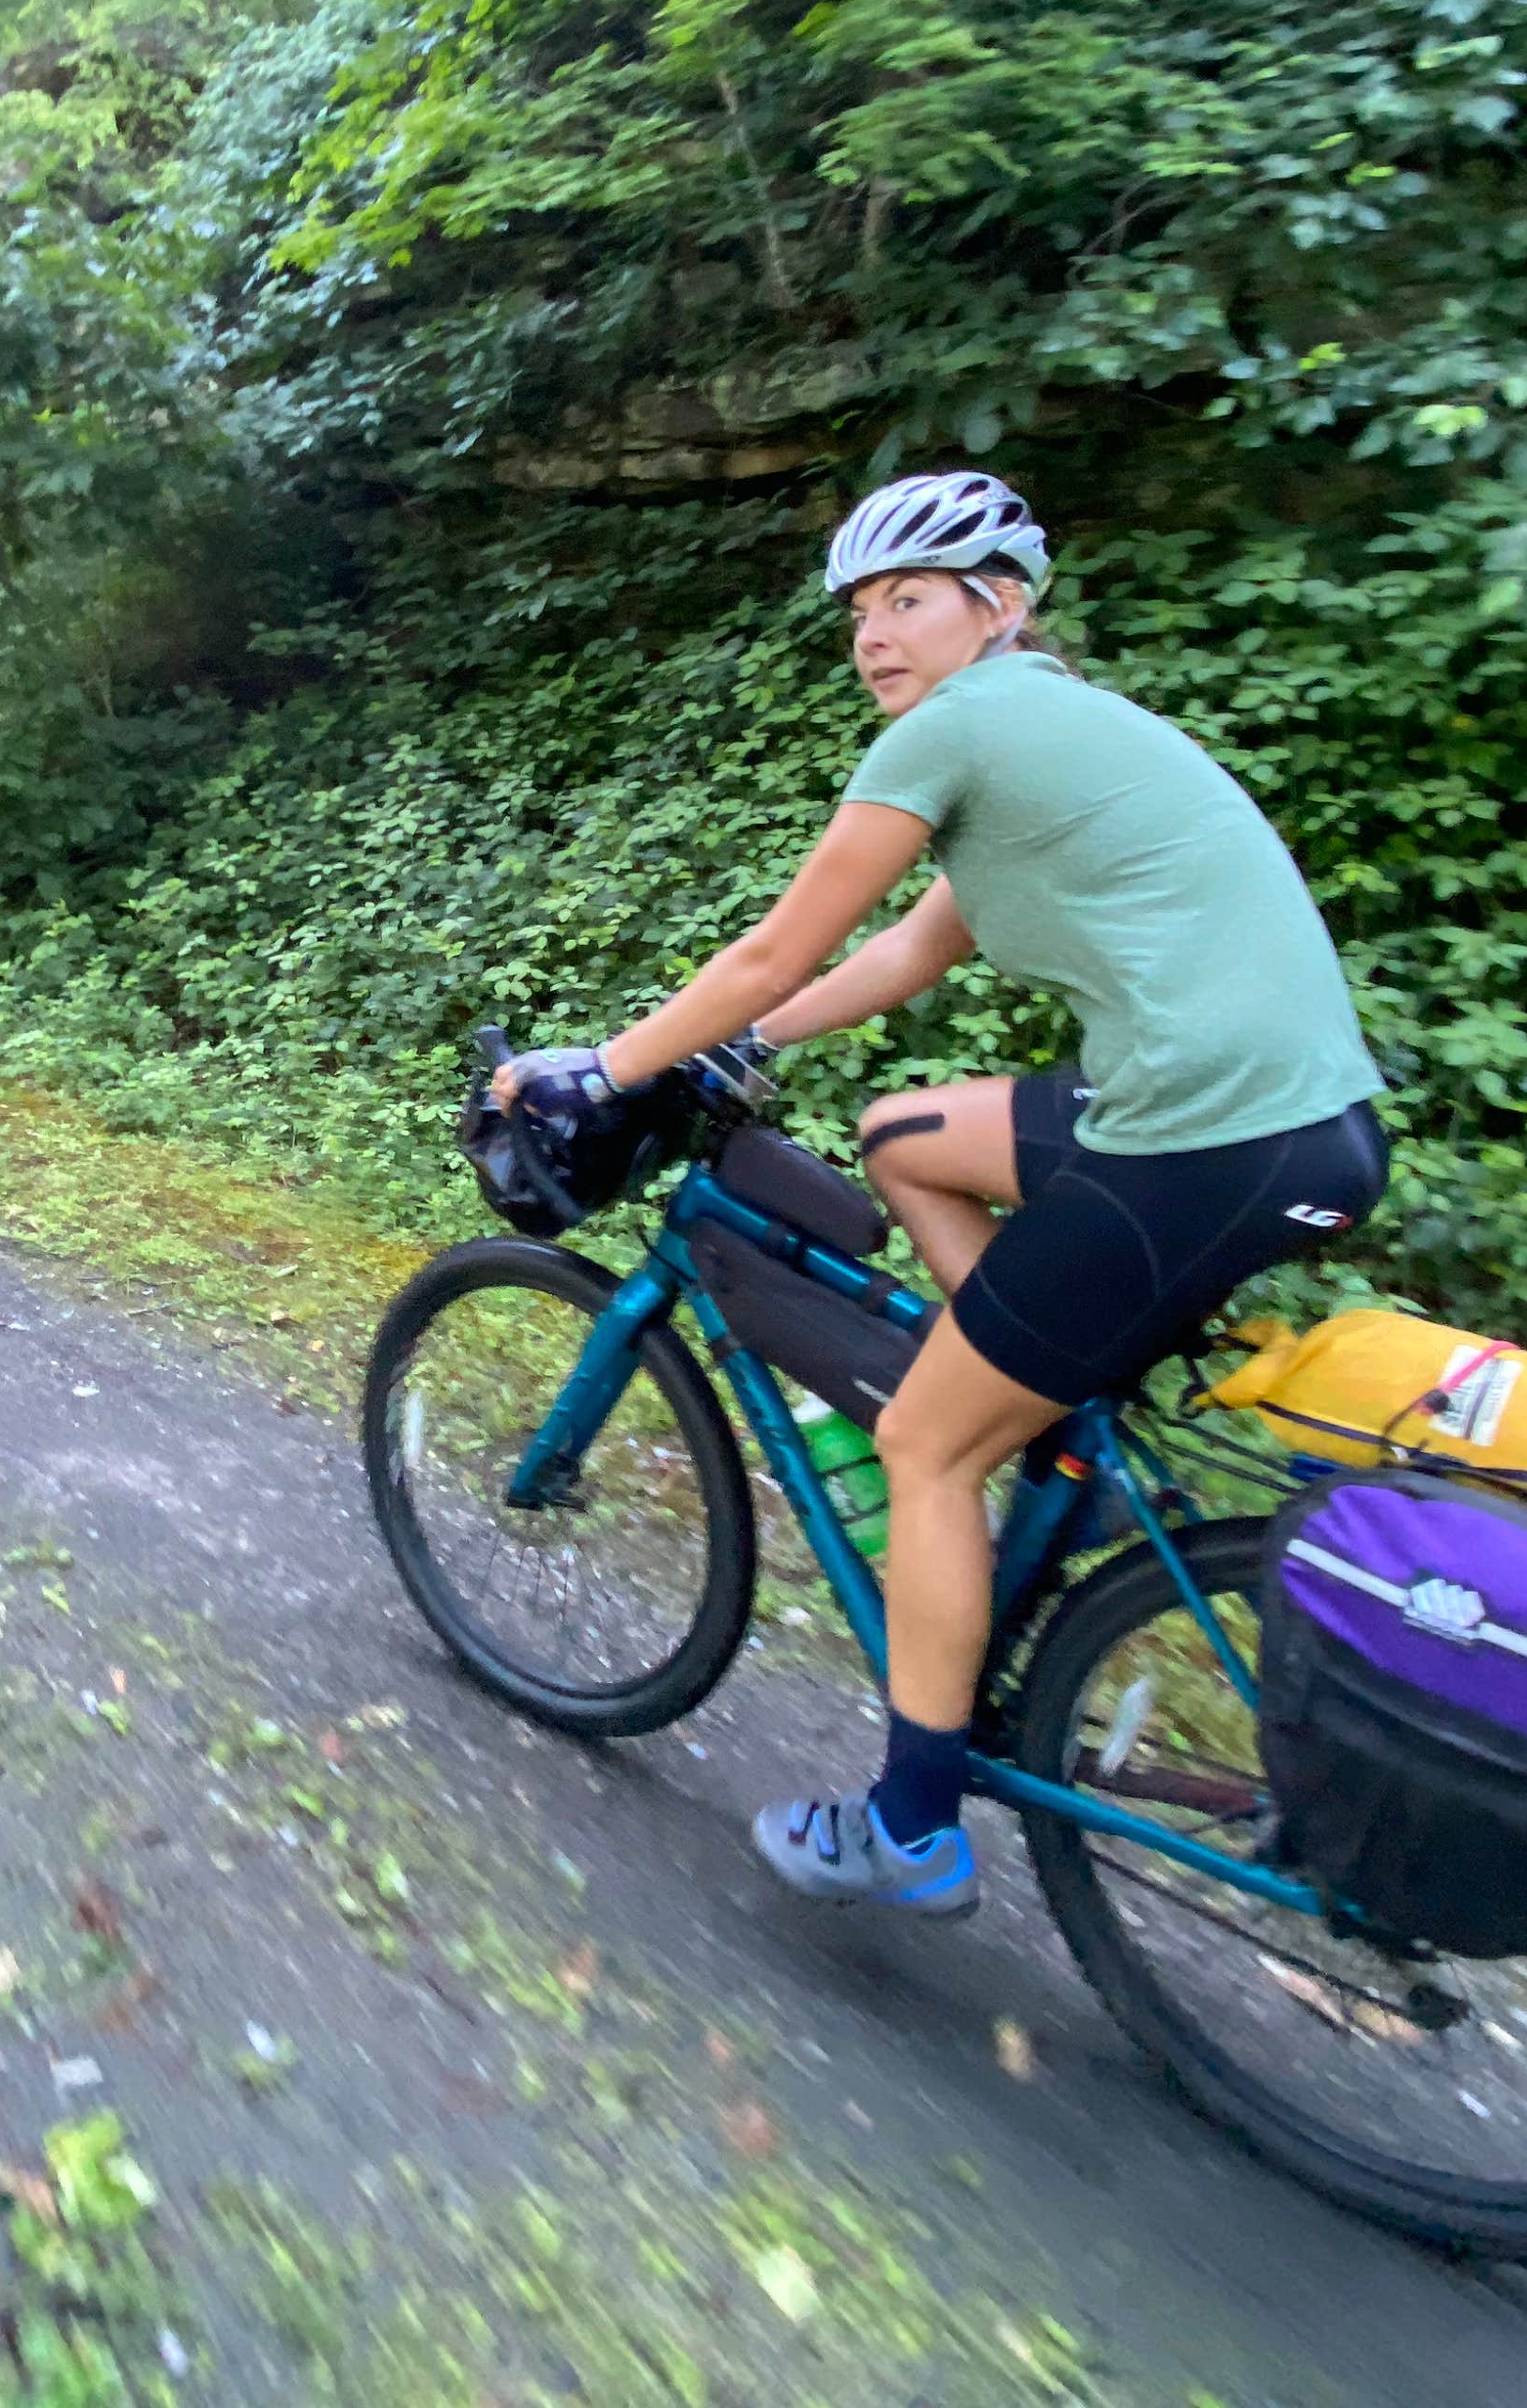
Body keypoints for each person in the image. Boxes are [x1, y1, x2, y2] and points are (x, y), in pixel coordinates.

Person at [494, 471, 1388, 1916]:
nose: (874, 635)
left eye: (909, 599)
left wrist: (602, 1070)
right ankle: (1051, 1421)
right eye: (860, 610)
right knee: (907, 1135)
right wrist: (731, 1049)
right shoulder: (1051, 740)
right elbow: (904, 961)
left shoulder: (970, 725)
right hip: (1278, 1124)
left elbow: (778, 950)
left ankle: (910, 1824)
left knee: (921, 1443)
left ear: (1001, 607)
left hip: (1208, 1141)